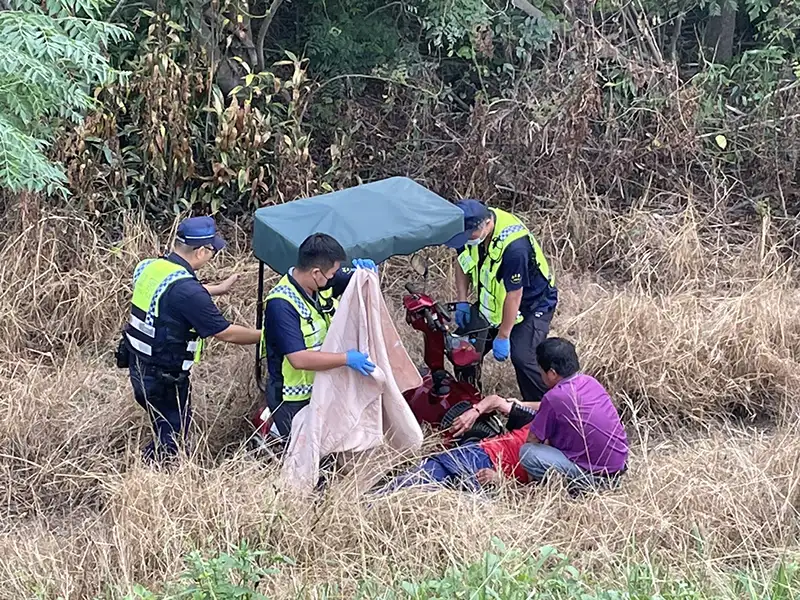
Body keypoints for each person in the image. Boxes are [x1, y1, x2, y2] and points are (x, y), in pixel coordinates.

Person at [382, 338, 629, 496]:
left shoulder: (553, 413)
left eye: (542, 372)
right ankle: (386, 492)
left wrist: (504, 481)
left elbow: (533, 453)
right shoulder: (586, 386)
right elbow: (503, 403)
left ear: (552, 373)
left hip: (495, 463)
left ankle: (381, 498)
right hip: (611, 466)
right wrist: (477, 410)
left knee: (438, 470)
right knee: (440, 465)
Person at [121, 216, 263, 463]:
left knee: (161, 421)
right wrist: (269, 335)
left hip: (137, 363)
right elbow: (225, 332)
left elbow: (170, 293)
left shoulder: (149, 267)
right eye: (212, 251)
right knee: (173, 434)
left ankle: (152, 460)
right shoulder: (188, 291)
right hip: (163, 376)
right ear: (201, 251)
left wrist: (217, 288)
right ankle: (158, 478)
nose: (212, 256)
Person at [261, 233, 378, 438]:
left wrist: (366, 273)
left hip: (323, 387)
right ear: (316, 272)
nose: (335, 276)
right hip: (292, 399)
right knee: (303, 454)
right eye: (332, 273)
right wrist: (346, 359)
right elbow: (298, 359)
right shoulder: (281, 305)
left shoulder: (322, 283)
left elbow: (351, 280)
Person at [445, 199, 557, 402]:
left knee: (524, 359)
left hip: (531, 305)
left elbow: (515, 295)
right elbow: (462, 263)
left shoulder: (515, 248)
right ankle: (470, 398)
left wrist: (503, 335)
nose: (465, 240)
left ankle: (542, 412)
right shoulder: (468, 231)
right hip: (493, 302)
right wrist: (462, 301)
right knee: (462, 348)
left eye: (469, 235)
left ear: (487, 223)